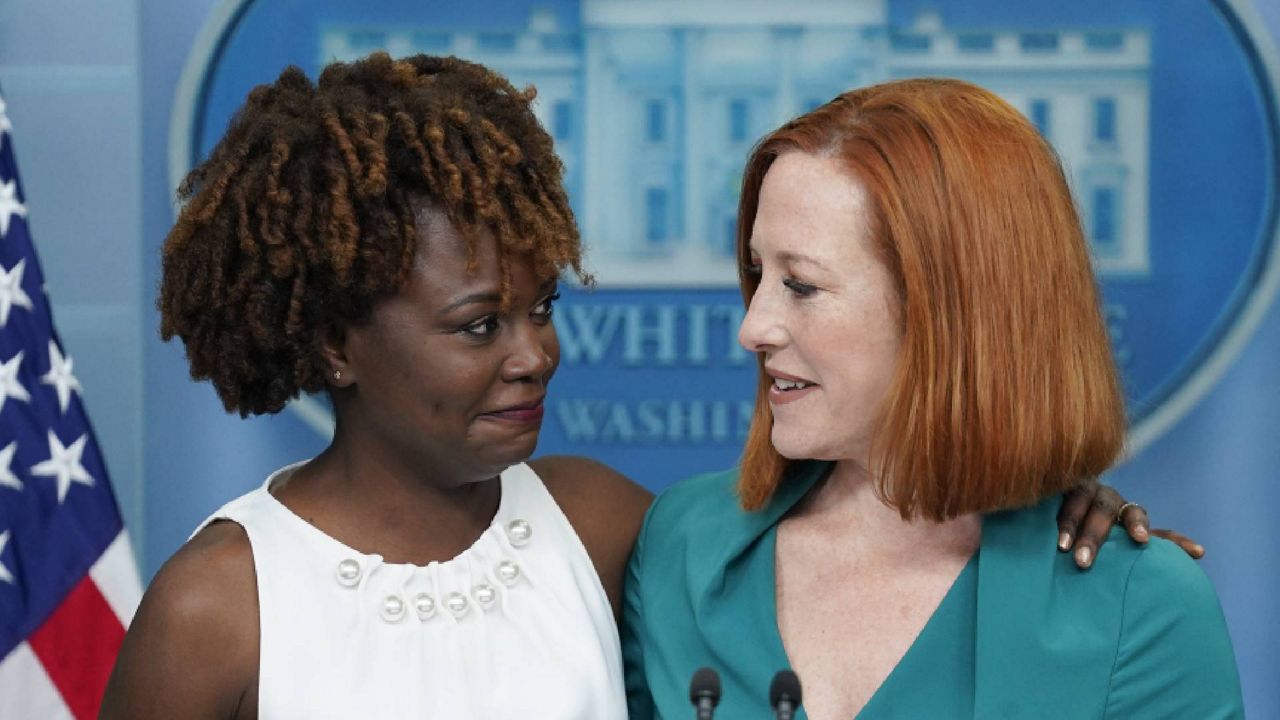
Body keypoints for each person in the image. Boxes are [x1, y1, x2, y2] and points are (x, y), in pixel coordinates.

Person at [102, 54, 1185, 719]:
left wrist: (1049, 502)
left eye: (543, 308)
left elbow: (899, 516)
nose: (533, 353)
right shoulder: (214, 607)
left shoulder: (601, 526)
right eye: (479, 324)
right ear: (334, 344)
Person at [621, 78, 1244, 719]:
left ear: (952, 311)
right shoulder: (682, 547)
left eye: (801, 284)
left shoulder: (1141, 612)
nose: (753, 327)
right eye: (758, 274)